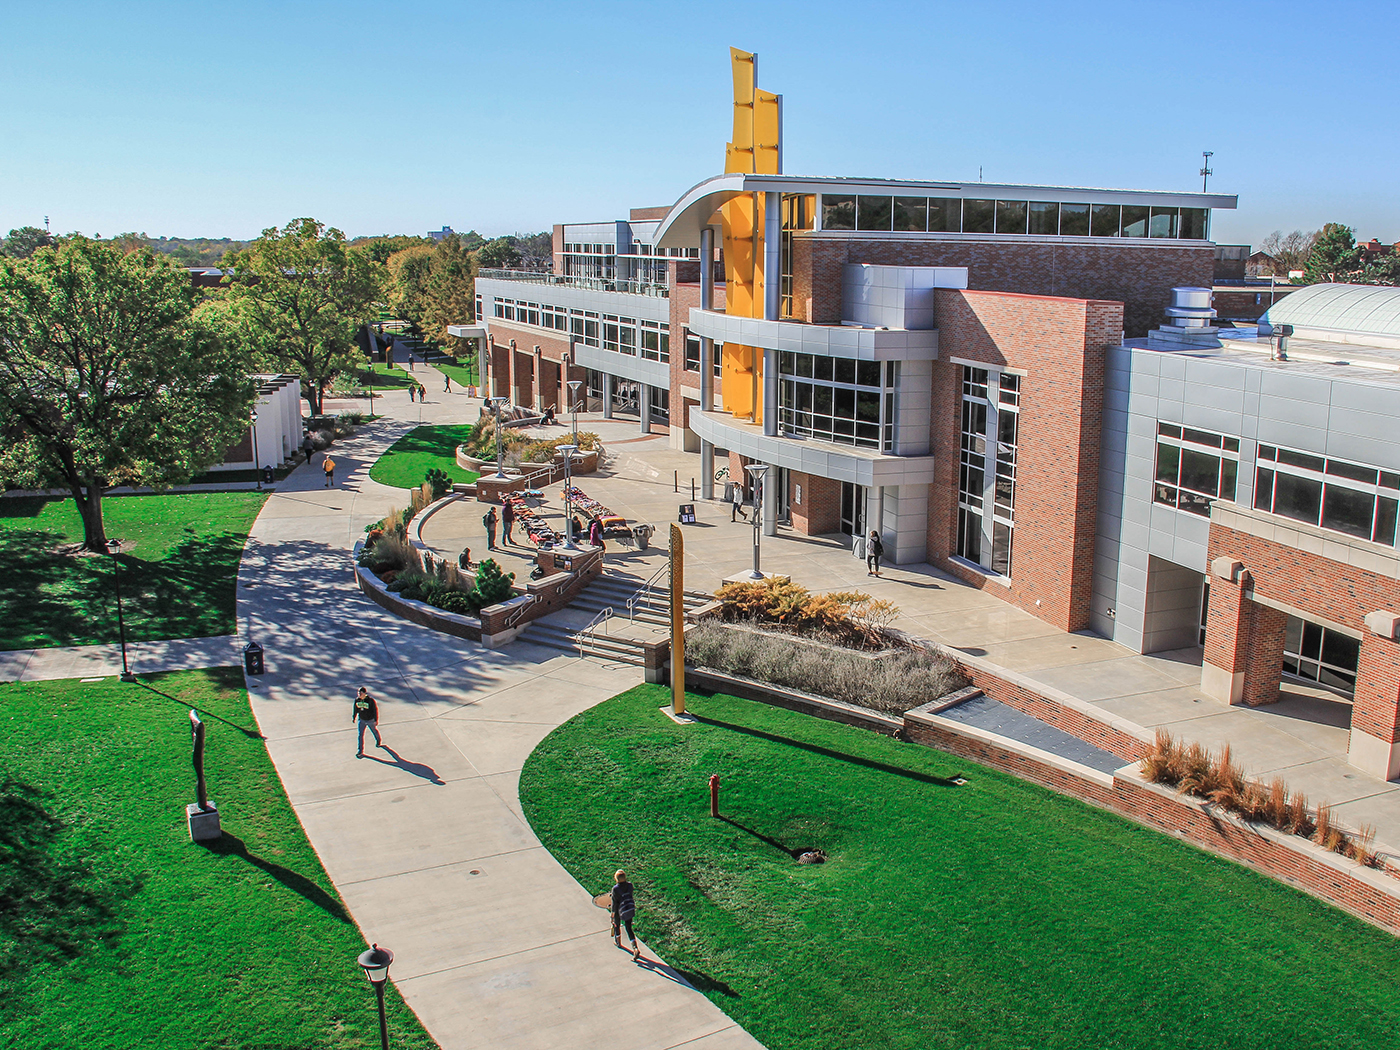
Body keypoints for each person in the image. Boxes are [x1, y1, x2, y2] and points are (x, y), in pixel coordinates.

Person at [610, 869, 640, 960]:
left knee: (617, 924)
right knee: (628, 927)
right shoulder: (630, 885)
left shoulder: (615, 889)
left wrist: (612, 914)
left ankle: (618, 941)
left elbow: (615, 904)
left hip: (620, 910)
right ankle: (635, 947)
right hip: (629, 909)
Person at [352, 686, 383, 757]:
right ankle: (360, 751)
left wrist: (376, 720)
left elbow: (375, 710)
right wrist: (354, 717)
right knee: (360, 735)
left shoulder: (370, 701)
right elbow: (355, 708)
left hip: (370, 720)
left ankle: (378, 740)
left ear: (364, 693)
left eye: (361, 693)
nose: (359, 694)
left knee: (374, 731)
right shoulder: (357, 700)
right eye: (358, 693)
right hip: (362, 720)